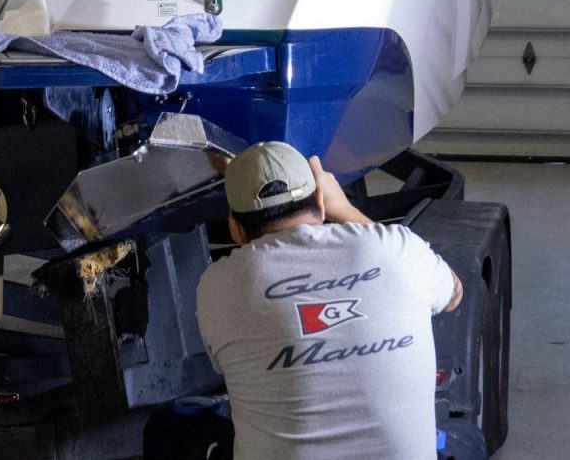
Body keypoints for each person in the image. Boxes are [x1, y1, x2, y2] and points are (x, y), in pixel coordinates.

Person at [194, 141, 464, 460]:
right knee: (465, 440)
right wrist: (346, 211)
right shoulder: (400, 251)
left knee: (175, 427)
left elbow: (221, 365)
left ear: (235, 229)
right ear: (322, 202)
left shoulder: (217, 286)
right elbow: (454, 294)